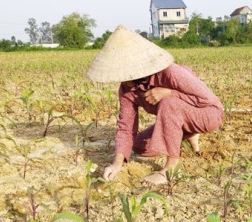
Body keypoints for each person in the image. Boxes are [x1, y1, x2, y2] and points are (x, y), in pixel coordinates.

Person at [86, 25, 223, 184]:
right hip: (181, 117)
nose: (121, 79)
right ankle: (189, 133)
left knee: (168, 103)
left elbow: (211, 103)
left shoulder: (171, 73)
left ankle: (171, 168)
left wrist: (170, 93)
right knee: (138, 146)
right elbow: (126, 127)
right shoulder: (126, 89)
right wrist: (117, 164)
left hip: (207, 115)